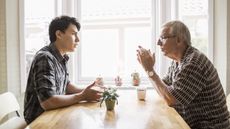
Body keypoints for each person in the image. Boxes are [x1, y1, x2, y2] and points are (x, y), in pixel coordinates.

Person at [137, 20, 230, 129]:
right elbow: (164, 89)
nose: (158, 42)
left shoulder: (193, 63)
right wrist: (149, 69)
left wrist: (149, 70)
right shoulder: (178, 61)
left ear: (179, 40)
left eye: (163, 38)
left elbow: (170, 99)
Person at [24, 15, 102, 124]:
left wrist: (92, 92)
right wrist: (83, 96)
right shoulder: (45, 58)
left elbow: (66, 86)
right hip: (39, 121)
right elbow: (48, 102)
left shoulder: (61, 57)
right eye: (74, 34)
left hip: (53, 115)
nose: (78, 39)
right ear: (59, 34)